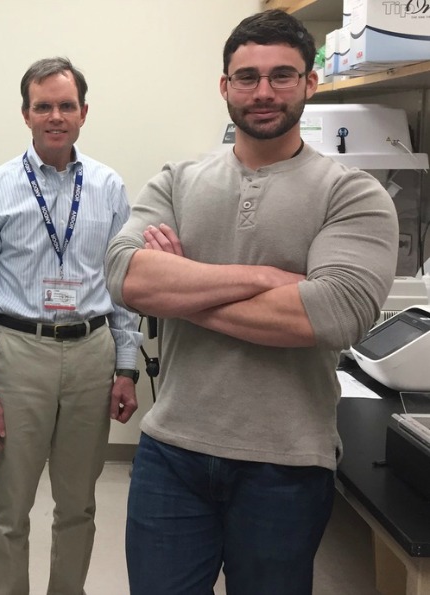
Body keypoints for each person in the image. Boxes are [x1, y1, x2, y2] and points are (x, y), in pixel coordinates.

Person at [105, 9, 399, 595]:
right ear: (225, 86)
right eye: (247, 77)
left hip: (286, 462)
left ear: (310, 83)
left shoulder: (353, 193)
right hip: (172, 452)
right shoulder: (177, 179)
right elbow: (125, 277)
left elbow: (336, 312)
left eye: (282, 75)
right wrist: (272, 278)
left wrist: (183, 284)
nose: (263, 92)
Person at [0, 57, 142, 595]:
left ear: (83, 113)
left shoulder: (110, 187)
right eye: (43, 106)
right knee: (11, 508)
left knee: (79, 504)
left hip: (91, 354)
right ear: (26, 114)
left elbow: (123, 284)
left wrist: (127, 366)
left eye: (66, 105)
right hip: (18, 352)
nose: (55, 116)